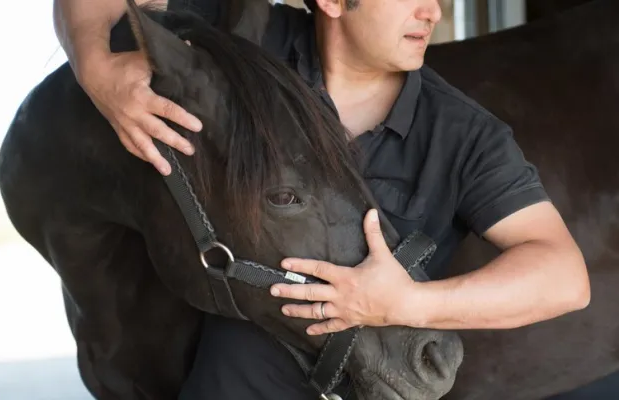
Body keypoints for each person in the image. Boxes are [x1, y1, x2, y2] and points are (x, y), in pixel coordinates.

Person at [53, 0, 591, 398]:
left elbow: (563, 277)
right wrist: (96, 69)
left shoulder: (464, 134)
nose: (434, 11)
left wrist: (407, 303)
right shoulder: (248, 39)